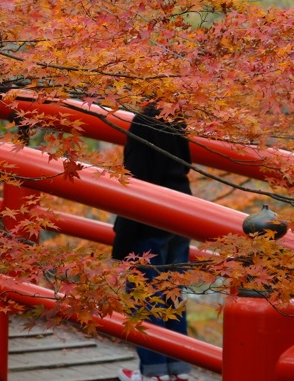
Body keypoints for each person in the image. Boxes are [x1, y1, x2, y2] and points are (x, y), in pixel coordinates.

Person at [112, 104, 193, 381]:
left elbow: (138, 179)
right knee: (171, 293)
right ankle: (176, 370)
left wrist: (123, 234)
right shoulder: (175, 115)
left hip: (150, 216)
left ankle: (154, 372)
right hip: (182, 210)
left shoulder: (144, 121)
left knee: (144, 294)